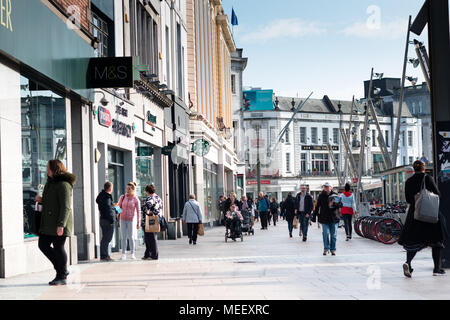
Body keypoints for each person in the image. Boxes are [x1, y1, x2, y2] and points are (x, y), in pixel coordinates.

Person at [399, 160, 448, 277]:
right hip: (429, 214)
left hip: (414, 214)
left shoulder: (409, 181)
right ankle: (437, 269)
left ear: (414, 169)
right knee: (436, 241)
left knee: (413, 242)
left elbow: (407, 199)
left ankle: (408, 264)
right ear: (424, 168)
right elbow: (437, 194)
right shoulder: (427, 178)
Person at [36, 160, 76, 286]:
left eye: (48, 168)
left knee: (58, 247)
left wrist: (61, 225)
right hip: (48, 223)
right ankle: (62, 269)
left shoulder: (64, 185)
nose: (47, 170)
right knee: (43, 244)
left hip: (60, 222)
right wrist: (41, 200)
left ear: (54, 169)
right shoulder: (49, 184)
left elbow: (66, 207)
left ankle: (61, 275)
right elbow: (51, 202)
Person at [312, 183, 342, 256]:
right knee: (326, 234)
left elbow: (341, 205)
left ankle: (333, 249)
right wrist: (314, 216)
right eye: (325, 187)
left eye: (328, 187)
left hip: (334, 218)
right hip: (324, 218)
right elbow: (317, 206)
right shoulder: (321, 196)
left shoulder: (336, 195)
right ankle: (326, 249)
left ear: (331, 187)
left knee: (333, 235)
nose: (326, 188)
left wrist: (334, 204)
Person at [118, 182, 141, 260]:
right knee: (123, 237)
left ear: (133, 190)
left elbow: (139, 212)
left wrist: (138, 222)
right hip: (122, 219)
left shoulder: (135, 199)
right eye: (126, 188)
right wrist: (118, 215)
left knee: (131, 237)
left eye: (129, 189)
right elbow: (118, 207)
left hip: (131, 220)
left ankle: (132, 253)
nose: (127, 190)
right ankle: (123, 254)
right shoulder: (122, 197)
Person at [96, 181, 117, 262]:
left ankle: (104, 255)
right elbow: (108, 209)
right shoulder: (107, 197)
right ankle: (104, 255)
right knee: (107, 238)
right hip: (108, 220)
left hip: (102, 219)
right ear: (110, 188)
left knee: (105, 238)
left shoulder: (101, 195)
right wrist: (112, 220)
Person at [141, 184, 163, 260]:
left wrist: (148, 211)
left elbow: (148, 206)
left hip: (149, 221)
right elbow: (160, 208)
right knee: (150, 238)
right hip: (157, 220)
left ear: (147, 191)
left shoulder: (149, 198)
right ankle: (147, 254)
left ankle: (154, 255)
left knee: (150, 238)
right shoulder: (158, 197)